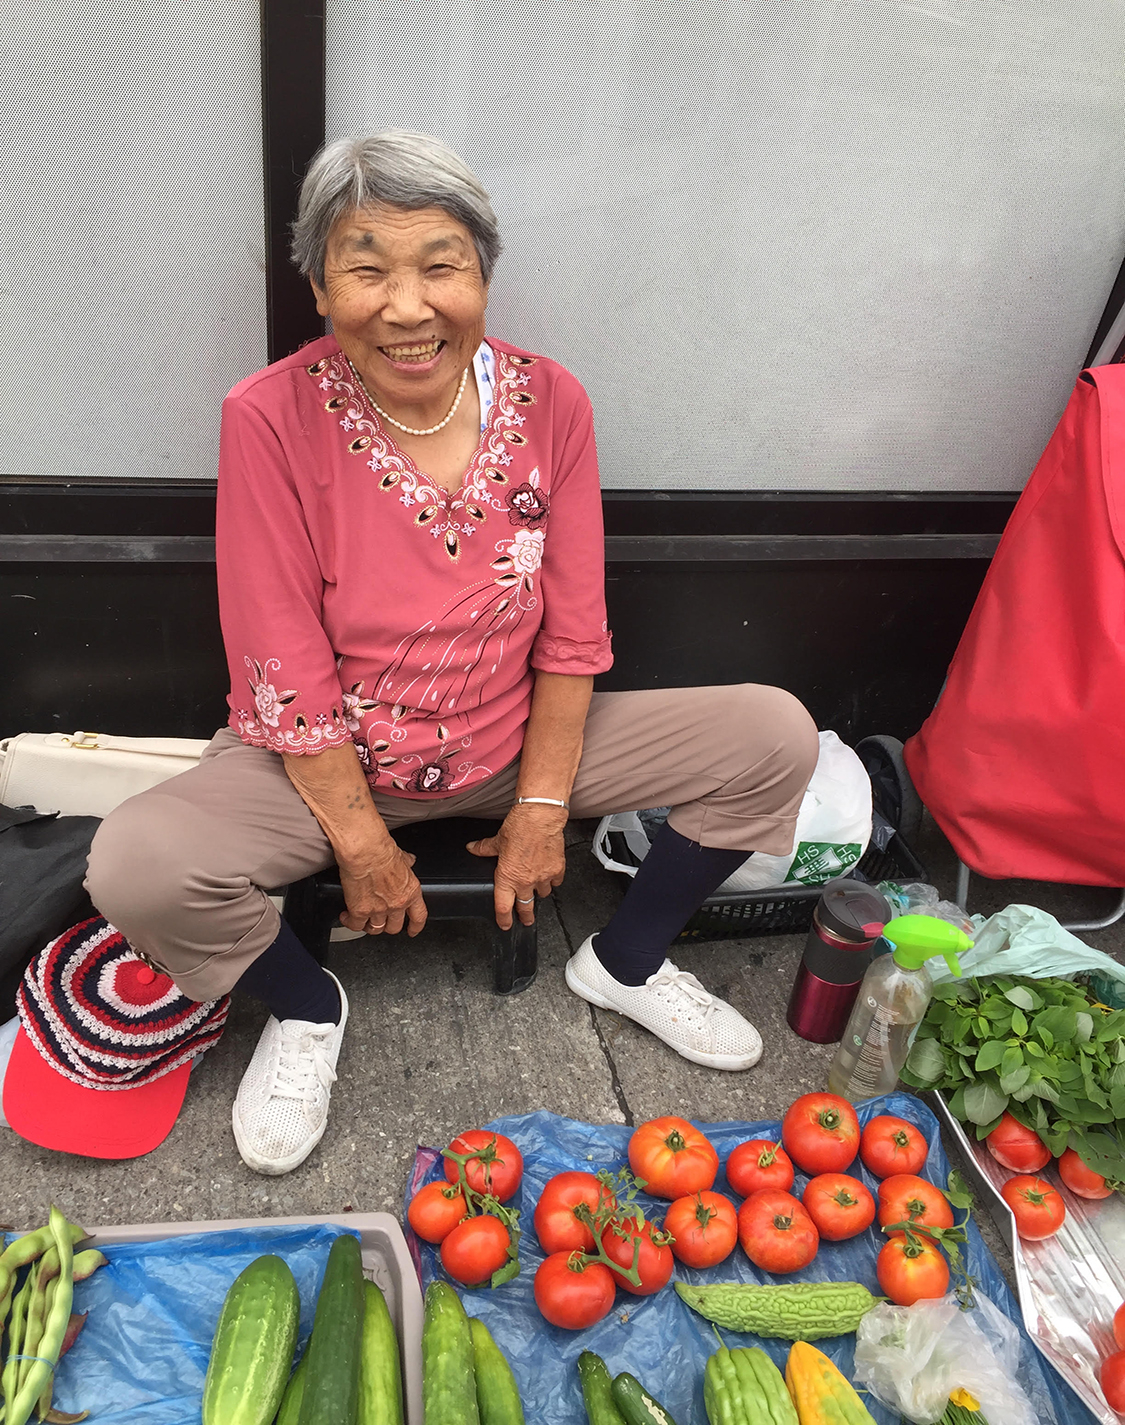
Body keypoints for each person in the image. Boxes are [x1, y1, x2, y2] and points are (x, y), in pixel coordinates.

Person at [85, 132, 818, 1176]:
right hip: (334, 765)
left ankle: (624, 959)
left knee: (772, 734)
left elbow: (573, 631)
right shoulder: (268, 417)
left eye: (441, 264)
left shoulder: (551, 399)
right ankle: (304, 1009)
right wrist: (362, 842)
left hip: (513, 741)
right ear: (318, 282)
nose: (407, 305)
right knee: (137, 864)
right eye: (367, 266)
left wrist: (543, 807)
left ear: (481, 274)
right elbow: (279, 661)